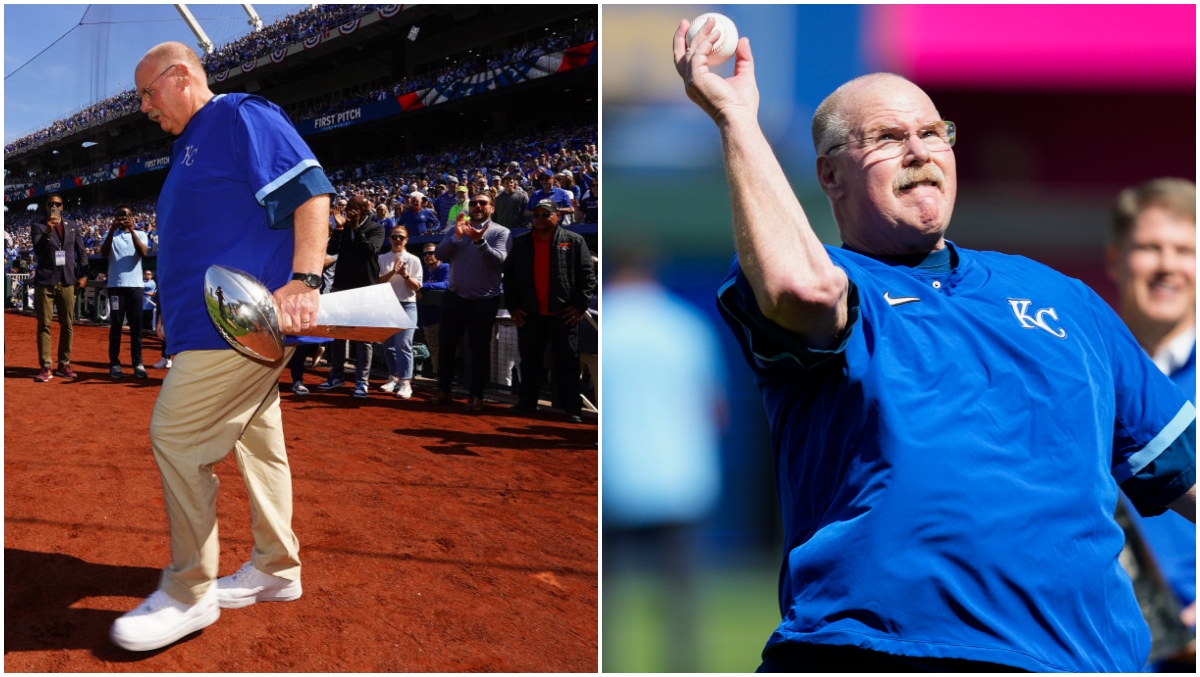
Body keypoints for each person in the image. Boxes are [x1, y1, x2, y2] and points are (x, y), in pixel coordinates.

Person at [675, 20, 1197, 673]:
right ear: (830, 175)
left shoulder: (1063, 297)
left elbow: (1184, 471)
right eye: (890, 139)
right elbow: (799, 287)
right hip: (875, 651)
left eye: (933, 132)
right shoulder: (842, 283)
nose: (920, 149)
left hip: (1083, 657)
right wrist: (736, 120)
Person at [109, 41, 333, 652]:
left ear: (180, 76)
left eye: (148, 92)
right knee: (261, 447)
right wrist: (172, 319)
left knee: (176, 439)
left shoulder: (237, 113)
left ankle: (189, 592)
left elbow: (311, 190)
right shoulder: (188, 144)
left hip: (238, 326)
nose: (144, 106)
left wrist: (306, 279)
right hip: (207, 327)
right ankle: (276, 569)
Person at [1106, 177, 1197, 671]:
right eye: (1150, 248)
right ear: (1115, 258)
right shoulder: (1079, 375)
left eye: (1185, 250)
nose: (1167, 265)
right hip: (1103, 651)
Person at [503, 200, 595, 423]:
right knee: (530, 361)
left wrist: (579, 306)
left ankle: (571, 408)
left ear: (557, 216)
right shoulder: (522, 242)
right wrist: (514, 308)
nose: (540, 218)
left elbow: (587, 276)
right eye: (536, 215)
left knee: (568, 363)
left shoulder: (574, 240)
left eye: (546, 214)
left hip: (563, 314)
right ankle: (527, 402)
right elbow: (510, 278)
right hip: (530, 314)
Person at [431, 195, 510, 412]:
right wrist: (456, 237)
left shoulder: (500, 231)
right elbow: (438, 253)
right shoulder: (458, 228)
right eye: (474, 203)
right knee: (446, 346)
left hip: (484, 299)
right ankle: (443, 390)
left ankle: (476, 396)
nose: (477, 206)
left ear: (491, 208)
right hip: (455, 297)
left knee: (479, 349)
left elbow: (498, 260)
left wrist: (479, 241)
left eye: (483, 203)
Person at [317, 195, 384, 398]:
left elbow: (370, 250)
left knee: (363, 338)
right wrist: (339, 229)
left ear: (365, 210)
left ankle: (362, 381)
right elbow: (332, 249)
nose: (350, 210)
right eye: (350, 207)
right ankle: (336, 375)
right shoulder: (343, 226)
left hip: (364, 289)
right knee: (338, 335)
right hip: (341, 286)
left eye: (355, 207)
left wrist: (355, 228)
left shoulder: (375, 228)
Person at [30, 193, 89, 382]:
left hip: (67, 280)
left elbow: (81, 252)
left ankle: (64, 363)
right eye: (50, 204)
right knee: (44, 325)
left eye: (57, 204)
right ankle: (46, 366)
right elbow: (38, 250)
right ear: (46, 206)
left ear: (62, 207)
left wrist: (84, 274)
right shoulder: (38, 226)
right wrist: (48, 231)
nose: (54, 206)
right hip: (46, 281)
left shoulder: (72, 227)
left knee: (68, 325)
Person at [100, 204, 150, 379]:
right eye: (120, 215)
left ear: (132, 217)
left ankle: (138, 363)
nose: (123, 217)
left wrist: (132, 230)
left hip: (135, 286)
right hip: (115, 287)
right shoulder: (110, 234)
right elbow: (104, 253)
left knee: (136, 327)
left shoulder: (142, 234)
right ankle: (114, 363)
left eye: (127, 215)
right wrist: (113, 229)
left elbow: (143, 253)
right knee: (116, 326)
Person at [377, 225, 422, 399]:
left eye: (401, 237)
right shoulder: (382, 259)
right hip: (387, 305)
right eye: (394, 237)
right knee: (388, 346)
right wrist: (392, 272)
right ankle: (393, 377)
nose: (397, 240)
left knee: (403, 345)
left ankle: (405, 382)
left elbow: (416, 286)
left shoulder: (414, 260)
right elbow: (377, 282)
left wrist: (404, 275)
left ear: (406, 240)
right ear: (389, 239)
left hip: (407, 305)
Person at [419, 242, 450, 377]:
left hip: (443, 317)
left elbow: (446, 284)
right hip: (427, 317)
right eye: (425, 253)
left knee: (444, 350)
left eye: (431, 252)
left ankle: (443, 380)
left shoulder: (445, 267)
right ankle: (439, 379)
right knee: (433, 350)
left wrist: (422, 285)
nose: (427, 256)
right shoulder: (423, 270)